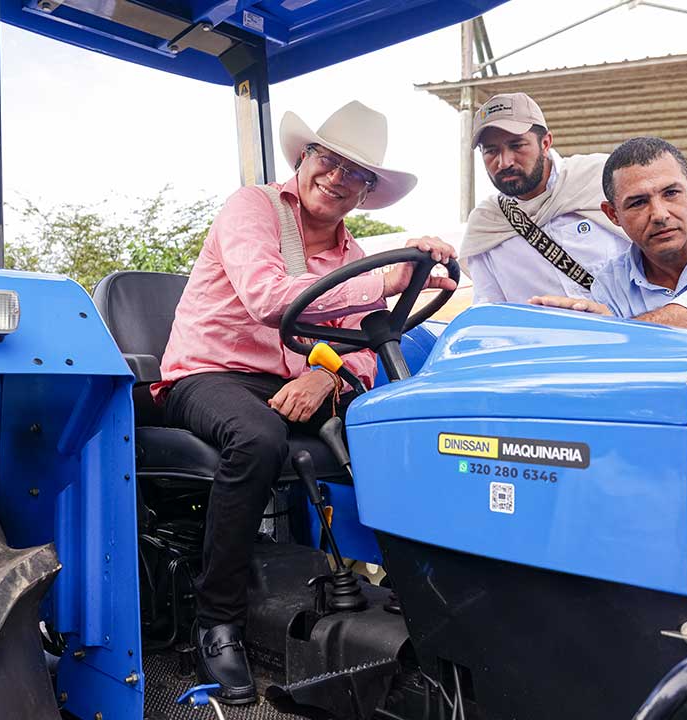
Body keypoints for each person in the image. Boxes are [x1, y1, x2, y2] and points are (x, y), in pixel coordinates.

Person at [152, 100, 458, 704]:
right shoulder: (253, 209)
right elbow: (270, 298)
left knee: (397, 425)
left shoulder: (350, 255)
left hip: (293, 383)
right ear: (304, 156)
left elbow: (365, 347)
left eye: (358, 173)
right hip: (208, 375)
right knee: (258, 438)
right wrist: (388, 277)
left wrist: (330, 378)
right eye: (329, 159)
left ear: (368, 191)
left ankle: (424, 596)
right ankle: (218, 623)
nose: (338, 178)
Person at [529, 136, 687, 332]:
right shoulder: (610, 286)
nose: (659, 214)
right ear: (613, 214)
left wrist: (619, 329)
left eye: (671, 193)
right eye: (638, 202)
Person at [461, 92, 629, 304]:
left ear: (546, 143)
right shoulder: (486, 225)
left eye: (517, 145)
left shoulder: (603, 178)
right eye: (491, 151)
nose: (504, 162)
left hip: (636, 333)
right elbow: (491, 311)